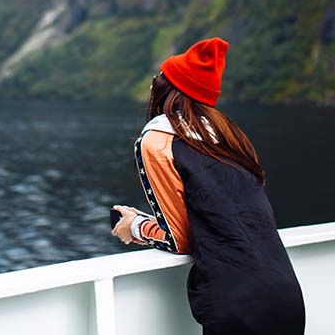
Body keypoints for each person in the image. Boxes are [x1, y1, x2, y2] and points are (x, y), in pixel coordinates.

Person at [110, 36, 305, 334]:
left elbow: (181, 240)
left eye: (158, 77)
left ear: (167, 88)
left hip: (238, 305)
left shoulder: (158, 140)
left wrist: (135, 226)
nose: (153, 83)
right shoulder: (230, 139)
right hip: (286, 296)